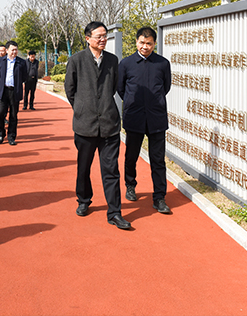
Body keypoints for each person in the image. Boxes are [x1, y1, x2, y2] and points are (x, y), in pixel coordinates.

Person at [65, 21, 130, 230]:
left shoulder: (112, 61)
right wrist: (82, 108)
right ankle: (84, 200)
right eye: (99, 36)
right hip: (85, 125)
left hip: (109, 125)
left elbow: (114, 87)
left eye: (105, 36)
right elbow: (70, 90)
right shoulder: (76, 60)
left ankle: (115, 213)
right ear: (87, 38)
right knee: (83, 168)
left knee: (111, 170)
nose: (103, 40)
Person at [118, 26, 173, 214]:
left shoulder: (163, 63)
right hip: (134, 117)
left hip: (156, 118)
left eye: (149, 43)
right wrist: (134, 102)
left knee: (158, 160)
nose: (145, 46)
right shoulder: (126, 64)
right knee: (131, 155)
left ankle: (159, 198)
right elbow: (121, 89)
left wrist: (153, 102)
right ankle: (130, 185)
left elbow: (166, 87)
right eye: (142, 42)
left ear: (154, 44)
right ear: (136, 42)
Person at [0, 40, 27, 145]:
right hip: (3, 91)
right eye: (12, 50)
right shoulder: (0, 61)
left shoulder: (21, 62)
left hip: (14, 91)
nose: (14, 52)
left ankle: (11, 137)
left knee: (13, 115)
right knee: (0, 113)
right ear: (7, 50)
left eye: (16, 50)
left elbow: (24, 77)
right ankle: (1, 134)